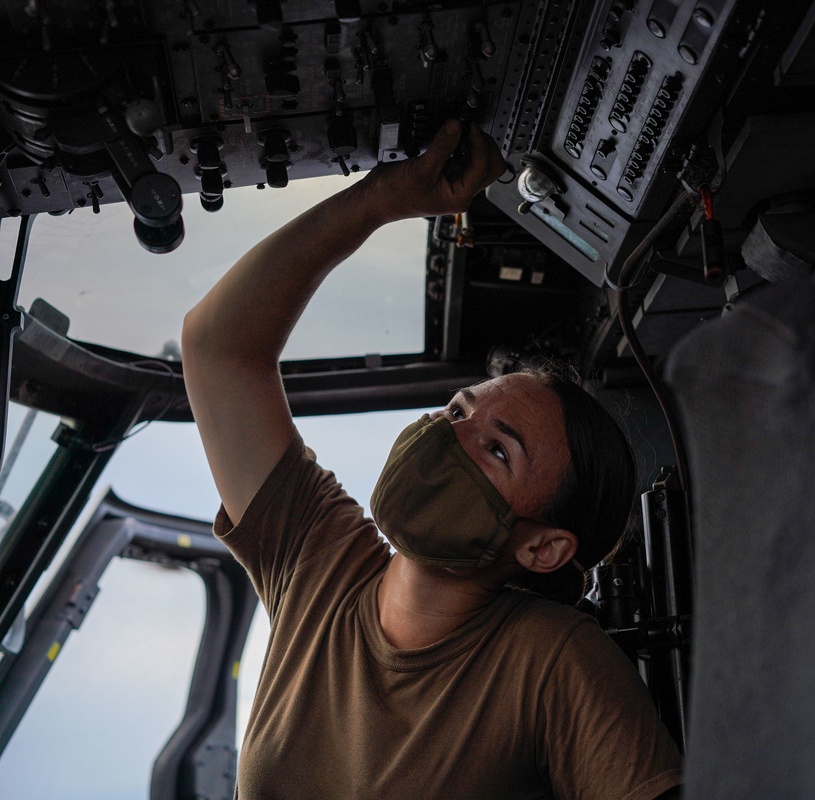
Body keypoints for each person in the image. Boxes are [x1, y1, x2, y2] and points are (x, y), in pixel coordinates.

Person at [182, 120, 682, 799]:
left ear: (542, 549)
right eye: (457, 411)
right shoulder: (320, 560)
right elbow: (217, 348)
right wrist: (380, 199)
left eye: (498, 449)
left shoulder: (552, 660)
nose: (453, 435)